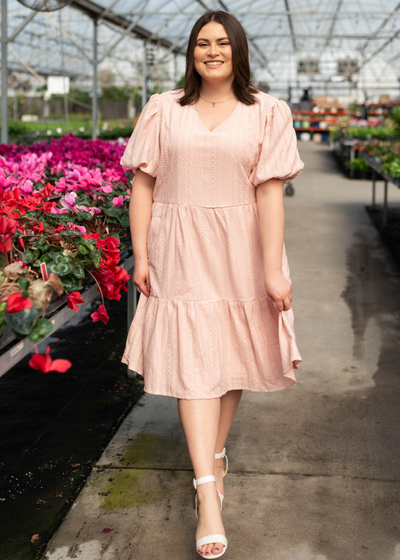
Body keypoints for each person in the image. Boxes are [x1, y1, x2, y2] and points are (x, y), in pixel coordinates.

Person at [120, 10, 304, 558]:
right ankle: (208, 493)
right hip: (180, 247)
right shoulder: (164, 108)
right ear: (192, 52)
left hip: (242, 247)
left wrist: (272, 269)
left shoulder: (268, 112)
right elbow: (143, 185)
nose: (212, 51)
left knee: (227, 358)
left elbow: (270, 193)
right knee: (193, 364)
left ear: (237, 50)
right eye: (203, 43)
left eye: (223, 42)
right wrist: (141, 251)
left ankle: (215, 456)